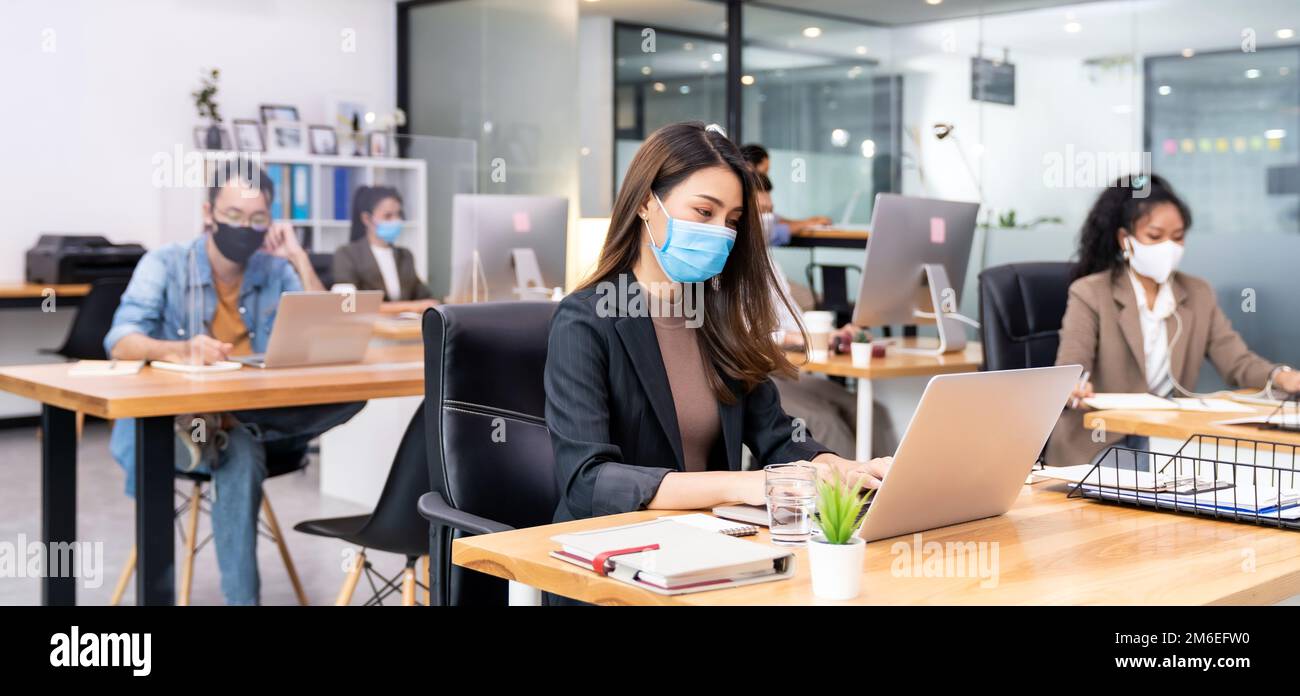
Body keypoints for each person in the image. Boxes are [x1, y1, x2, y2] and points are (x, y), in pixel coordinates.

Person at [545, 121, 892, 526]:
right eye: (704, 212)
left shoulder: (718, 314)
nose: (721, 234)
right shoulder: (585, 320)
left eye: (731, 220)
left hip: (710, 541)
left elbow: (778, 436)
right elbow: (588, 481)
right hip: (612, 549)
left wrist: (837, 467)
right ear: (645, 202)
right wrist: (746, 485)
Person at [105, 158, 364, 605]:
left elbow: (331, 336)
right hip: (172, 424)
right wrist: (179, 350)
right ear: (208, 213)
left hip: (255, 414)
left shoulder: (273, 268)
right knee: (240, 449)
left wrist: (299, 258)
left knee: (354, 398)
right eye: (234, 216)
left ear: (271, 221)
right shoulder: (165, 264)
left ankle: (234, 425)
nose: (246, 226)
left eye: (258, 218)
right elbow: (120, 341)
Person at [1050, 174, 1300, 466]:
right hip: (1101, 439)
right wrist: (1073, 386)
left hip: (1169, 434)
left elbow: (1237, 362)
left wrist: (1285, 377)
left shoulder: (1197, 293)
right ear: (1125, 240)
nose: (1168, 247)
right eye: (1155, 237)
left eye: (1178, 237)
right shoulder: (1091, 293)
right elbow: (1072, 367)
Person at [754, 171, 894, 459]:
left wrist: (827, 336)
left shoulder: (768, 261)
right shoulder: (727, 268)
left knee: (869, 412)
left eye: (770, 212)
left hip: (788, 369)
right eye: (760, 212)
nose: (768, 220)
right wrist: (797, 337)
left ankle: (892, 493)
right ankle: (850, 502)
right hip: (761, 373)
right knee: (825, 422)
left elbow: (790, 318)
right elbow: (742, 335)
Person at [332, 185, 437, 312]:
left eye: (398, 214)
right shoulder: (346, 254)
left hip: (403, 328)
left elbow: (425, 298)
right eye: (388, 216)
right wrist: (411, 307)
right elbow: (347, 306)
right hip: (368, 329)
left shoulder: (405, 255)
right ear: (367, 219)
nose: (396, 220)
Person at [740, 143, 832, 235]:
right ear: (749, 166)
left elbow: (772, 220)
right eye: (764, 171)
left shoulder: (756, 191)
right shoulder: (742, 192)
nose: (766, 177)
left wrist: (807, 222)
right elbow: (768, 231)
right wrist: (807, 223)